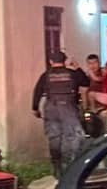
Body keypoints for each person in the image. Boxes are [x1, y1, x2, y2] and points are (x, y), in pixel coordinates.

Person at [32, 48, 90, 177]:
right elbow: (86, 82)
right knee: (72, 137)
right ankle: (70, 168)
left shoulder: (45, 75)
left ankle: (57, 168)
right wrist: (78, 68)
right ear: (65, 61)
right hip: (69, 108)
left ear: (50, 61)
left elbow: (38, 91)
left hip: (51, 108)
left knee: (54, 137)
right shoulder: (72, 74)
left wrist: (35, 108)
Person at [84, 53, 107, 136]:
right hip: (92, 109)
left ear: (99, 63)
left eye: (95, 62)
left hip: (104, 108)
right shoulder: (86, 76)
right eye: (90, 63)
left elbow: (99, 79)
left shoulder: (104, 72)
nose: (92, 65)